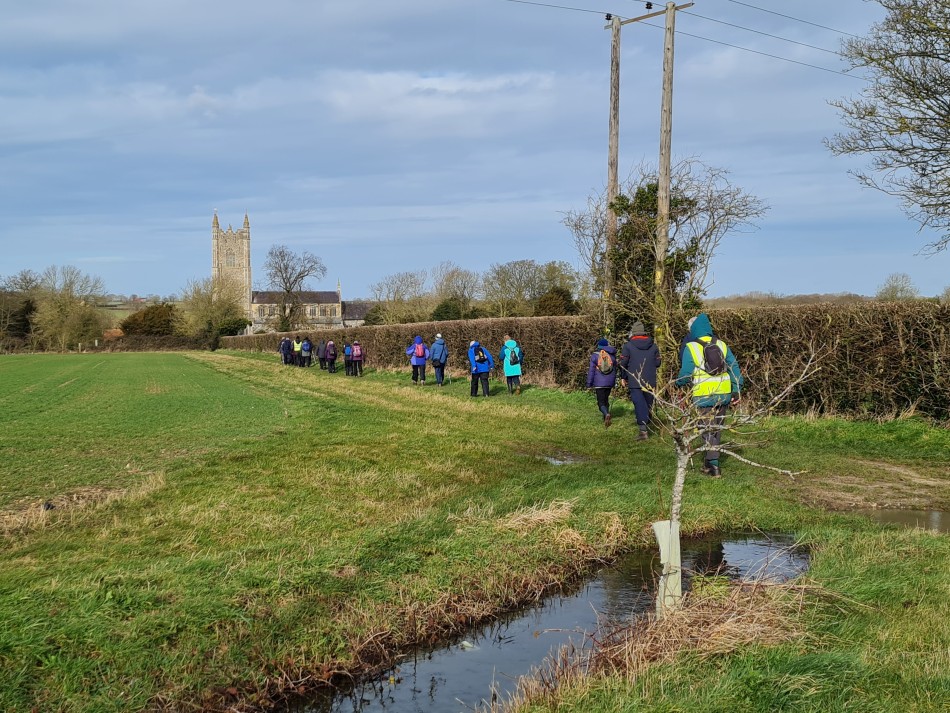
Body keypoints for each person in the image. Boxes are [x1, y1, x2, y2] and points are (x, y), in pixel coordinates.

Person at [675, 312, 743, 478]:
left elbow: (685, 373)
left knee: (705, 428)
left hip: (703, 395)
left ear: (695, 330)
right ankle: (710, 463)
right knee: (716, 429)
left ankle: (713, 465)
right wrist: (736, 389)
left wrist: (678, 384)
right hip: (723, 393)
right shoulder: (721, 344)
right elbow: (734, 367)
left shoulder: (691, 347)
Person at [619, 322, 661, 440]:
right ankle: (647, 421)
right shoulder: (654, 346)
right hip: (650, 380)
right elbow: (658, 363)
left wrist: (623, 377)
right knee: (647, 403)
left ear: (633, 332)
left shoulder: (628, 346)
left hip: (634, 379)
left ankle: (643, 431)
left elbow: (623, 363)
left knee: (639, 403)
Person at [587, 338, 618, 427]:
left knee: (600, 402)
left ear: (599, 346)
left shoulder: (595, 356)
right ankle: (605, 417)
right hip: (609, 383)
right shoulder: (612, 356)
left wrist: (589, 383)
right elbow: (616, 368)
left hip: (599, 383)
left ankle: (606, 414)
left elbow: (591, 371)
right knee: (606, 399)